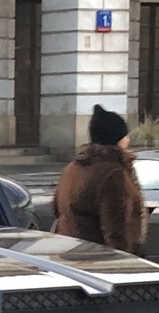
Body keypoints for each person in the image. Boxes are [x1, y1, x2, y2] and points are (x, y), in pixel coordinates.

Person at [51, 104, 147, 253]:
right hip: (97, 260)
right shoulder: (113, 175)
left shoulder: (73, 168)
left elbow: (57, 210)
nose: (128, 140)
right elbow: (116, 230)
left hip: (68, 252)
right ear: (117, 139)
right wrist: (124, 262)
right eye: (125, 136)